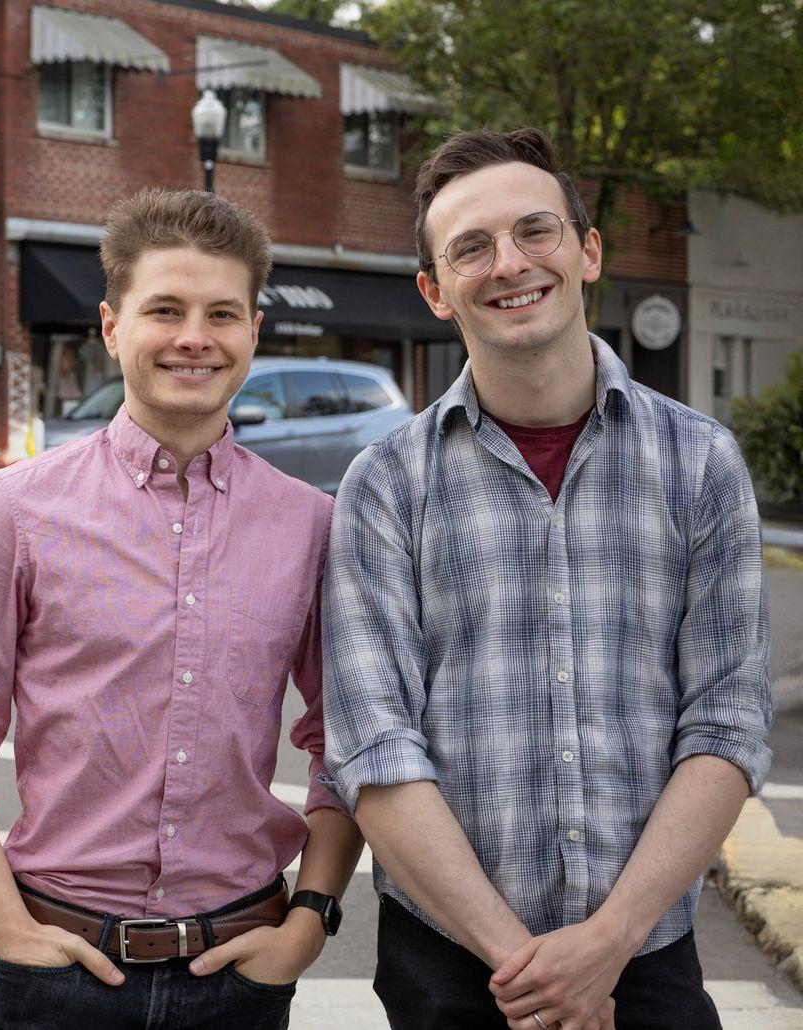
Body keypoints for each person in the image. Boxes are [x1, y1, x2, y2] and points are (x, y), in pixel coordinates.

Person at [322, 127, 773, 1030]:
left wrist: (605, 945)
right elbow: (375, 751)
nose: (509, 264)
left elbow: (728, 722)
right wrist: (530, 969)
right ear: (436, 292)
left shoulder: (701, 463)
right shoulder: (384, 484)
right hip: (449, 972)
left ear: (586, 250)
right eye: (470, 248)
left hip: (644, 960)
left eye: (536, 231)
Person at [0, 188, 365, 1029]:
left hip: (243, 968)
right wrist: (6, 926)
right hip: (59, 965)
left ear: (254, 332)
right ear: (113, 327)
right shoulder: (15, 511)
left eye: (223, 312)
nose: (195, 336)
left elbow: (347, 741)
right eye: (166, 309)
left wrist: (310, 921)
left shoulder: (312, 524)